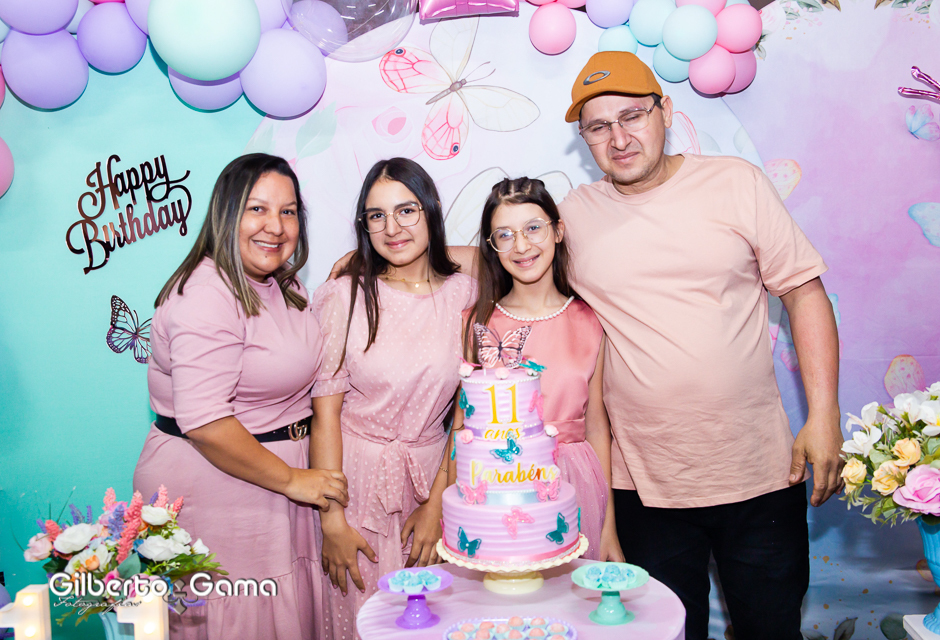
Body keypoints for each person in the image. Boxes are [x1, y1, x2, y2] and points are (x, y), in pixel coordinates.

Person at [548, 51, 843, 639]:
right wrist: (386, 254)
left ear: (665, 111)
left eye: (632, 116)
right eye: (598, 127)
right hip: (643, 489)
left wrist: (824, 414)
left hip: (759, 475)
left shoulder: (736, 182)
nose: (619, 139)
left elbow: (804, 292)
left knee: (771, 631)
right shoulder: (573, 217)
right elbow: (506, 254)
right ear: (585, 140)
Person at [133, 153, 348, 640]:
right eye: (258, 209)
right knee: (239, 620)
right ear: (226, 213)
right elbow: (206, 423)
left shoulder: (284, 282)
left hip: (274, 485)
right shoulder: (206, 294)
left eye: (288, 211)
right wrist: (293, 479)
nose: (276, 225)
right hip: (221, 489)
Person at [309, 157, 474, 640]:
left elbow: (465, 416)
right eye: (376, 216)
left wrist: (438, 503)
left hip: (432, 480)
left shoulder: (464, 293)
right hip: (354, 484)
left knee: (433, 622)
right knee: (362, 619)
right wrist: (332, 520)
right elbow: (325, 416)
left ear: (431, 209)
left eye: (406, 210)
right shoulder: (344, 296)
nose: (392, 228)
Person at [454, 176, 624, 562]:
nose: (522, 246)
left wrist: (608, 524)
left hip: (575, 482)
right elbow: (462, 429)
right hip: (500, 486)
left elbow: (598, 428)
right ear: (492, 246)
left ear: (558, 231)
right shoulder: (476, 324)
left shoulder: (590, 319)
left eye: (533, 228)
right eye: (505, 235)